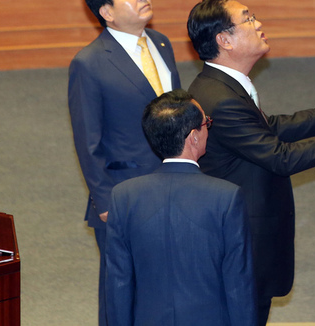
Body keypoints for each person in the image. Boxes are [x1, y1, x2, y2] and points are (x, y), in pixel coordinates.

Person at [186, 0, 315, 326]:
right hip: (241, 240)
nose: (259, 23)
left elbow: (269, 128)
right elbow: (279, 156)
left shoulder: (220, 85)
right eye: (249, 19)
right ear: (225, 39)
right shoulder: (221, 99)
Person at [69, 0, 181, 326]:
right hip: (125, 195)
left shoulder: (162, 43)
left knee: (172, 284)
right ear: (106, 12)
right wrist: (104, 202)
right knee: (124, 293)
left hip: (176, 185)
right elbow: (88, 141)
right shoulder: (88, 63)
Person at [106, 89, 256, 326]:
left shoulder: (123, 197)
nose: (209, 127)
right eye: (206, 122)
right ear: (193, 137)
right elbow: (239, 286)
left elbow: (117, 286)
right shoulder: (226, 197)